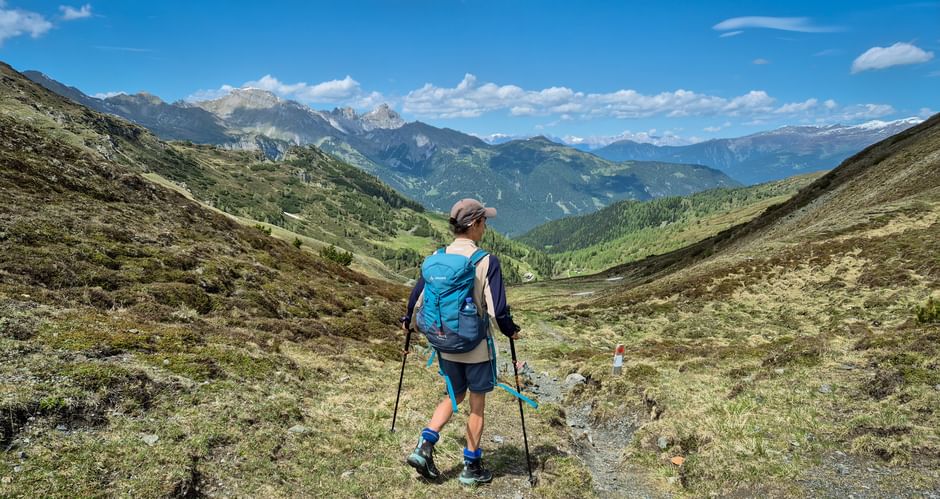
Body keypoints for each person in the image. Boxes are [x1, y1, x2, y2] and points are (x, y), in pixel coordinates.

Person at [400, 198, 522, 485]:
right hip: (475, 348)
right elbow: (497, 311)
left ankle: (424, 446)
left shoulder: (436, 257)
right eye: (484, 222)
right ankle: (471, 467)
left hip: (444, 343)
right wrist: (511, 331)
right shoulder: (485, 261)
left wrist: (408, 323)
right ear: (475, 224)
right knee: (476, 405)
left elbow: (416, 298)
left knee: (453, 395)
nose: (486, 227)